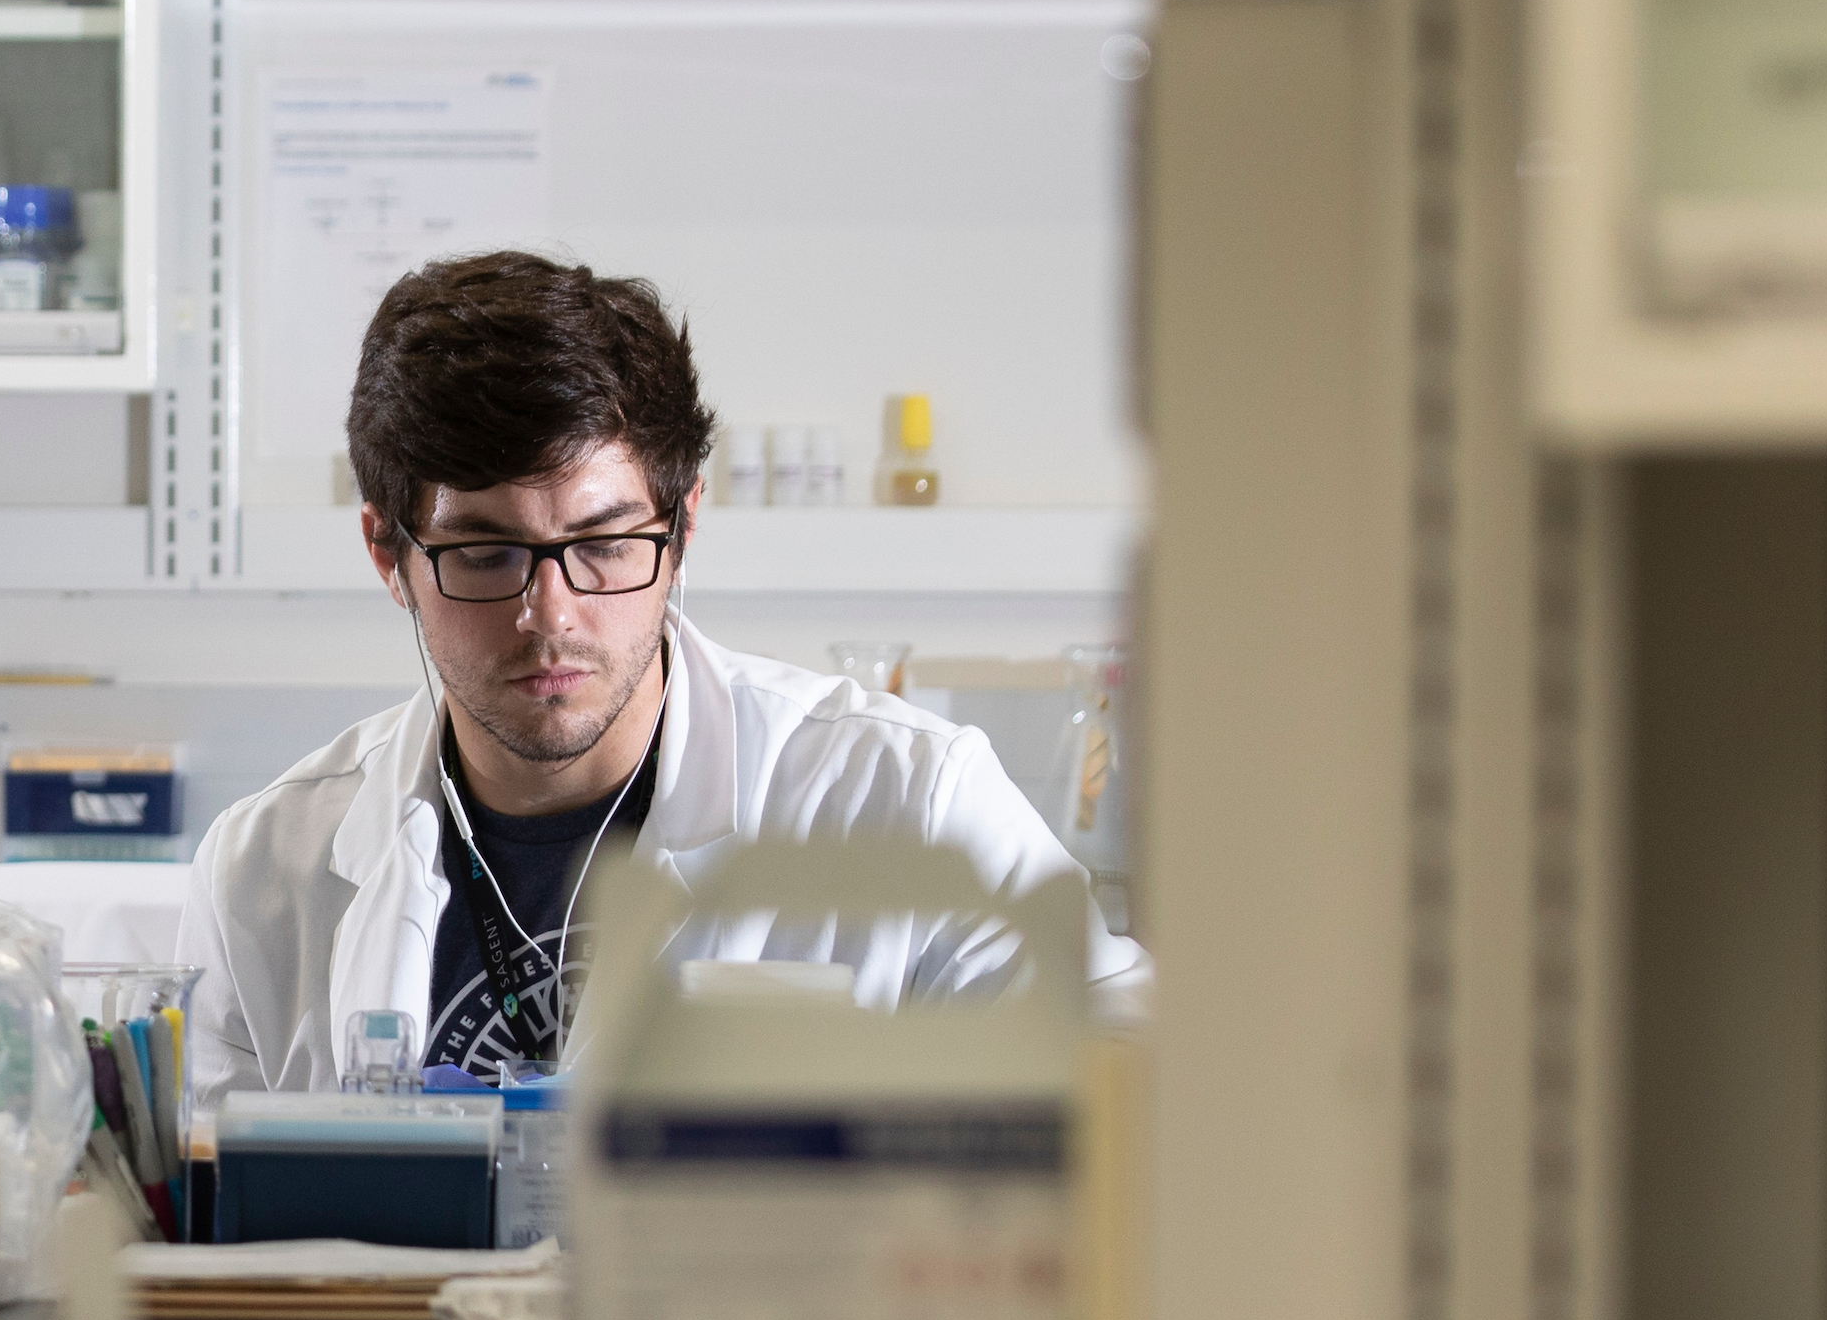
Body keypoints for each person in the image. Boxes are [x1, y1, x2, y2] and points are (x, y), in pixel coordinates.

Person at [183, 250, 1138, 1095]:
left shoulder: (910, 804)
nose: (550, 614)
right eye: (484, 555)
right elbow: (210, 1235)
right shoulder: (265, 872)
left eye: (602, 544)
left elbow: (1144, 1091)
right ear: (388, 554)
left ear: (681, 527)